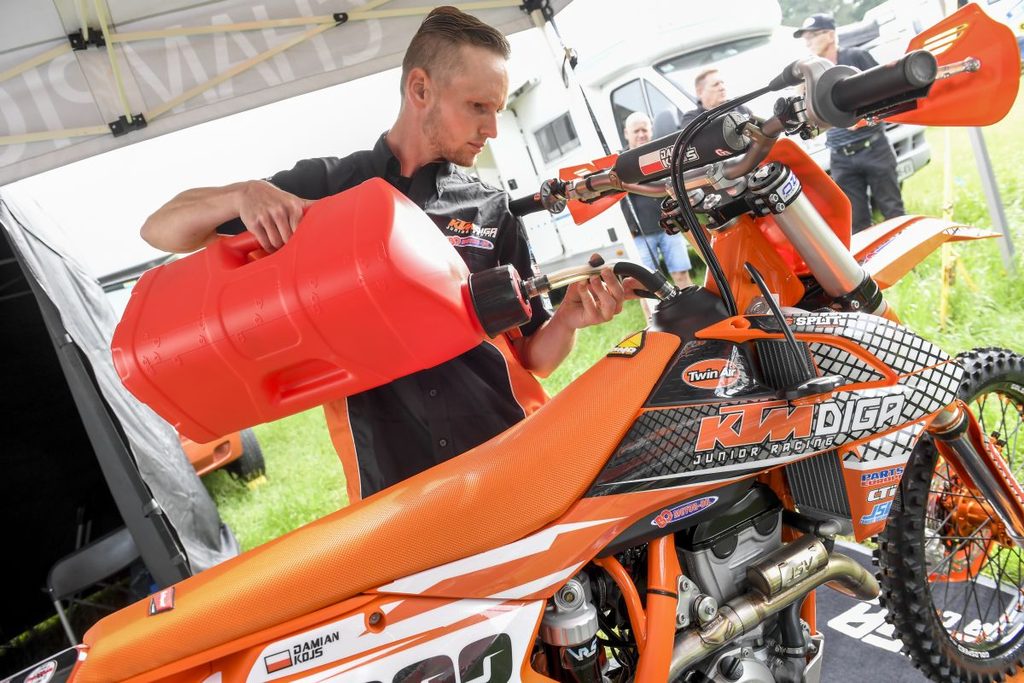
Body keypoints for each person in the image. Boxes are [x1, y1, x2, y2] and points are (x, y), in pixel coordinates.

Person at [140, 6, 630, 503]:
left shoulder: (490, 207)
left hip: (510, 452)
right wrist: (241, 194)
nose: (492, 129)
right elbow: (160, 230)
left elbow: (532, 358)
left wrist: (568, 320)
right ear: (420, 89)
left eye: (497, 111)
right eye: (478, 106)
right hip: (393, 486)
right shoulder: (322, 191)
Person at [795, 12, 905, 233]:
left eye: (812, 36)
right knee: (857, 225)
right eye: (805, 38)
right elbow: (809, 117)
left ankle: (908, 252)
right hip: (840, 156)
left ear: (830, 35)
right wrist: (801, 93)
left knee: (893, 212)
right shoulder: (811, 74)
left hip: (874, 148)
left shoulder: (856, 57)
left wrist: (863, 117)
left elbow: (886, 91)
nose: (808, 42)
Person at [619, 111, 693, 288]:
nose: (641, 135)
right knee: (645, 285)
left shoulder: (663, 154)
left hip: (670, 225)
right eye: (636, 131)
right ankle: (654, 309)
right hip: (640, 234)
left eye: (644, 130)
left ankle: (692, 304)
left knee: (681, 274)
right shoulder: (619, 162)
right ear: (626, 134)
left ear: (651, 130)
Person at [679, 68, 753, 128]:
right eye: (715, 84)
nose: (722, 87)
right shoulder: (692, 119)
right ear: (700, 92)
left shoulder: (740, 108)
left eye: (722, 83)